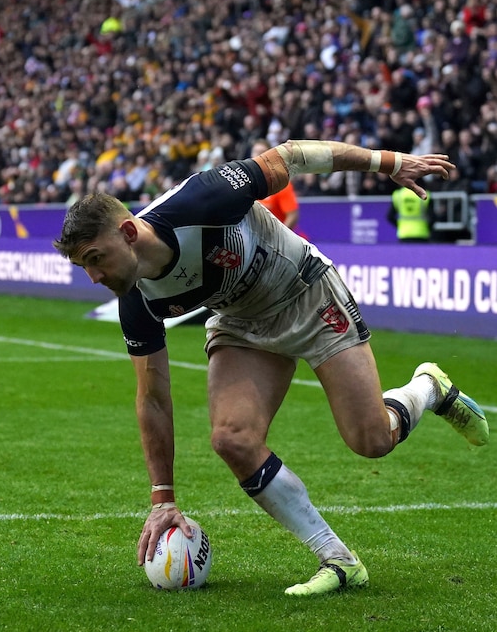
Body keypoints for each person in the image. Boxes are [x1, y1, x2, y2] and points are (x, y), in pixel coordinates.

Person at [53, 139, 489, 596]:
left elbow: (295, 155)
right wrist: (163, 497)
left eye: (95, 260)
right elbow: (153, 397)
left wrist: (391, 163)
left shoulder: (203, 198)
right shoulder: (136, 299)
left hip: (307, 293)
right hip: (242, 324)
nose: (94, 278)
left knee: (372, 440)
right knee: (231, 439)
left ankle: (429, 387)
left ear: (126, 233)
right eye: (85, 266)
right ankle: (338, 560)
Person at [250, 139, 300, 230]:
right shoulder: (246, 183)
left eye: (261, 152)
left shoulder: (281, 184)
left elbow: (292, 216)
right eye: (255, 152)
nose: (257, 156)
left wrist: (279, 238)